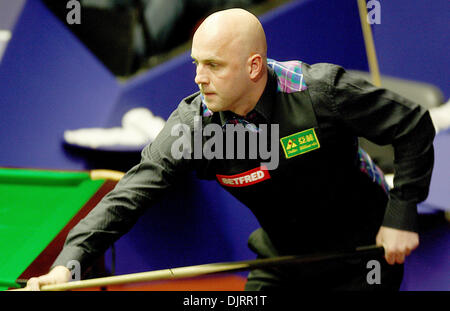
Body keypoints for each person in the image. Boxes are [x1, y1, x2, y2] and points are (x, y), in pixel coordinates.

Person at [25, 8, 435, 291]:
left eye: (214, 65)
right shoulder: (194, 127)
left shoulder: (320, 92)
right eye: (195, 64)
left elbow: (413, 124)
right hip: (282, 260)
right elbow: (129, 195)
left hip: (361, 255)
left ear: (253, 66)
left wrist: (401, 214)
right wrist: (68, 263)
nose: (200, 78)